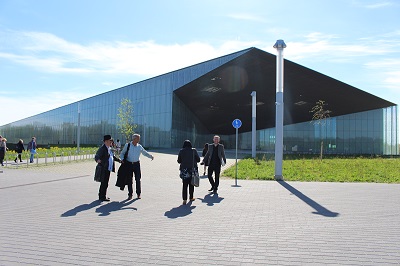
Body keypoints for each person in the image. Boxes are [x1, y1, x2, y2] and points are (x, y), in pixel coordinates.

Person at [119, 133, 154, 200]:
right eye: (138, 138)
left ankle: (138, 193)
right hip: (129, 164)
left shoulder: (139, 146)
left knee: (138, 179)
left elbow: (144, 152)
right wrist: (122, 159)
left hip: (136, 164)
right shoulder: (128, 145)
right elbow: (122, 153)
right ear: (134, 139)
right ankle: (130, 194)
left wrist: (150, 156)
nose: (139, 140)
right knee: (129, 180)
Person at [95, 135, 121, 201]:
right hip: (104, 168)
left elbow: (112, 157)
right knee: (104, 183)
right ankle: (102, 196)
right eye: (110, 141)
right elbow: (97, 155)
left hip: (108, 168)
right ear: (106, 141)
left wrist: (119, 160)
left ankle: (102, 195)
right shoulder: (102, 148)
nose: (111, 142)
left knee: (105, 182)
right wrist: (98, 160)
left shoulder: (109, 148)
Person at [177, 140, 200, 205]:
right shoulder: (194, 150)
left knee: (184, 185)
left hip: (184, 171)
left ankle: (184, 199)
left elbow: (179, 161)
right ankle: (191, 197)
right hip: (192, 170)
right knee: (191, 184)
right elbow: (198, 160)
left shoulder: (181, 151)